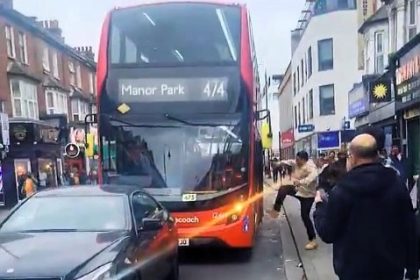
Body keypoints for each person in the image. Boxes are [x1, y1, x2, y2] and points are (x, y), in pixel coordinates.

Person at [313, 134, 418, 280]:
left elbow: (327, 232)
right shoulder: (396, 184)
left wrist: (319, 206)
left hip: (353, 272)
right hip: (391, 270)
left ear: (353, 157)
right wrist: (413, 268)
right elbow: (410, 228)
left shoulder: (342, 190)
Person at [268, 151, 318, 250]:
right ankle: (275, 210)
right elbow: (290, 162)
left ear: (304, 160)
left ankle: (312, 240)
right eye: (296, 159)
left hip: (308, 196)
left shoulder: (311, 167)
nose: (296, 161)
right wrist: (280, 163)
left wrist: (300, 182)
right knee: (283, 189)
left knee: (305, 216)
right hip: (298, 191)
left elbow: (313, 177)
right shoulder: (296, 162)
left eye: (298, 160)